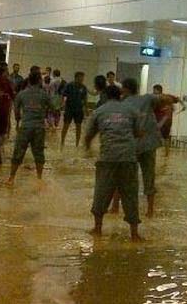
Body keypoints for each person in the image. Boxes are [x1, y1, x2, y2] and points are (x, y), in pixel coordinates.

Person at [84, 85, 142, 242]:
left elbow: (89, 135)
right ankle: (134, 234)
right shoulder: (131, 111)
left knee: (102, 192)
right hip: (128, 159)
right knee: (130, 195)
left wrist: (87, 149)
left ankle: (97, 229)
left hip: (107, 158)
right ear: (120, 96)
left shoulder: (99, 111)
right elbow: (138, 133)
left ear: (105, 96)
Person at [119, 78, 161, 217]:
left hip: (131, 146)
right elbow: (165, 99)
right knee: (149, 177)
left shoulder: (123, 104)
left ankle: (115, 208)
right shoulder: (148, 98)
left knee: (125, 177)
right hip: (149, 144)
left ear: (125, 89)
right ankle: (150, 211)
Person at [5, 71, 54, 185]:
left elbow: (16, 111)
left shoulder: (22, 94)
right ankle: (39, 178)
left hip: (26, 126)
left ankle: (11, 178)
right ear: (39, 81)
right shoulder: (44, 94)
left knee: (18, 152)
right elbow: (53, 107)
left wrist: (18, 121)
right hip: (39, 127)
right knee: (39, 153)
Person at [152, 84, 186, 157]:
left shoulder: (157, 98)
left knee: (158, 136)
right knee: (165, 137)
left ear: (158, 90)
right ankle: (166, 154)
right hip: (167, 121)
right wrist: (184, 105)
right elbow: (178, 99)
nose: (153, 92)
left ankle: (159, 153)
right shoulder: (168, 97)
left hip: (161, 121)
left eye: (154, 91)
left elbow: (177, 99)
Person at [60, 71, 88, 149]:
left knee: (79, 126)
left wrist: (86, 109)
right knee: (66, 125)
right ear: (76, 77)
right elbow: (63, 95)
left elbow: (85, 99)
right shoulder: (69, 85)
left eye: (83, 77)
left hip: (79, 110)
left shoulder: (83, 87)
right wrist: (62, 104)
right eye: (80, 77)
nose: (82, 79)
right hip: (69, 109)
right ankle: (62, 142)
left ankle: (77, 144)